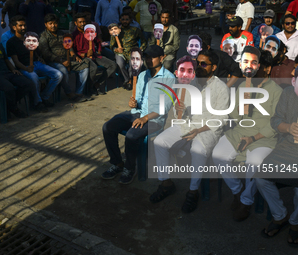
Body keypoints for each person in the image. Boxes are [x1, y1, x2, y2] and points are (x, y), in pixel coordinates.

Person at [150, 53, 230, 213]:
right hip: (187, 123)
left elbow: (222, 118)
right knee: (159, 141)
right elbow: (181, 107)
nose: (199, 66)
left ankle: (193, 192)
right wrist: (180, 109)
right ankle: (166, 183)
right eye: (197, 63)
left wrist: (198, 130)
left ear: (213, 68)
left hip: (208, 129)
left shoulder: (221, 87)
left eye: (203, 64)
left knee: (197, 150)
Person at [212, 47, 283, 222]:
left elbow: (275, 124)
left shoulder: (276, 91)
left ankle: (246, 201)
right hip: (240, 131)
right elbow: (236, 117)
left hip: (264, 138)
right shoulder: (244, 84)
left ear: (266, 68)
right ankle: (237, 191)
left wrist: (252, 138)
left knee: (254, 163)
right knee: (218, 155)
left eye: (260, 66)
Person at [101, 45, 175, 184]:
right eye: (147, 57)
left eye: (152, 57)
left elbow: (164, 107)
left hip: (155, 119)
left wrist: (145, 118)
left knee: (131, 135)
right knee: (108, 127)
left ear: (162, 58)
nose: (149, 60)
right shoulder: (142, 75)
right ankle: (117, 163)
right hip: (138, 113)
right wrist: (133, 103)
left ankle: (130, 168)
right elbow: (139, 101)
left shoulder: (169, 78)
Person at [256, 66, 298, 244]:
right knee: (261, 177)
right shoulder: (288, 93)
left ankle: (295, 222)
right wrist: (288, 128)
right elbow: (275, 120)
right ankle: (280, 214)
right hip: (287, 147)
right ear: (294, 80)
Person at [7, 19, 63, 112]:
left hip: (37, 63)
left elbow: (36, 52)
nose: (23, 27)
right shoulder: (11, 42)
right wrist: (26, 68)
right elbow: (15, 61)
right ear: (14, 27)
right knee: (34, 77)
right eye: (20, 25)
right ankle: (37, 103)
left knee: (58, 75)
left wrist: (39, 58)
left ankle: (44, 97)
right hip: (23, 66)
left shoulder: (31, 38)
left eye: (24, 25)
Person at [40, 13, 91, 102]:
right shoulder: (43, 37)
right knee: (62, 70)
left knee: (85, 67)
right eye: (50, 23)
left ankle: (79, 92)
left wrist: (74, 55)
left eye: (55, 23)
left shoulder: (62, 33)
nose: (53, 26)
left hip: (67, 59)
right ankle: (69, 93)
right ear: (46, 24)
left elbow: (69, 46)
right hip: (52, 62)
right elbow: (46, 54)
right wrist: (61, 61)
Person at [73, 13, 117, 95]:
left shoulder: (90, 32)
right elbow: (73, 51)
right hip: (83, 57)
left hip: (94, 55)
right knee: (94, 68)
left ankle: (96, 84)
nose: (82, 24)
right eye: (80, 22)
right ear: (76, 23)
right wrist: (85, 55)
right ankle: (89, 89)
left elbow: (98, 42)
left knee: (113, 65)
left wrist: (99, 50)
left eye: (84, 22)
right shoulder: (74, 35)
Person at [109, 13, 146, 88]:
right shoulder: (116, 30)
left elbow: (144, 42)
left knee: (132, 65)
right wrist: (116, 49)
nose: (125, 21)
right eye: (123, 19)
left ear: (130, 20)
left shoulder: (135, 30)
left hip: (132, 52)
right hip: (120, 53)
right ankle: (127, 80)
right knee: (120, 64)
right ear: (120, 20)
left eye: (127, 19)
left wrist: (140, 50)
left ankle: (129, 80)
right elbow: (111, 46)